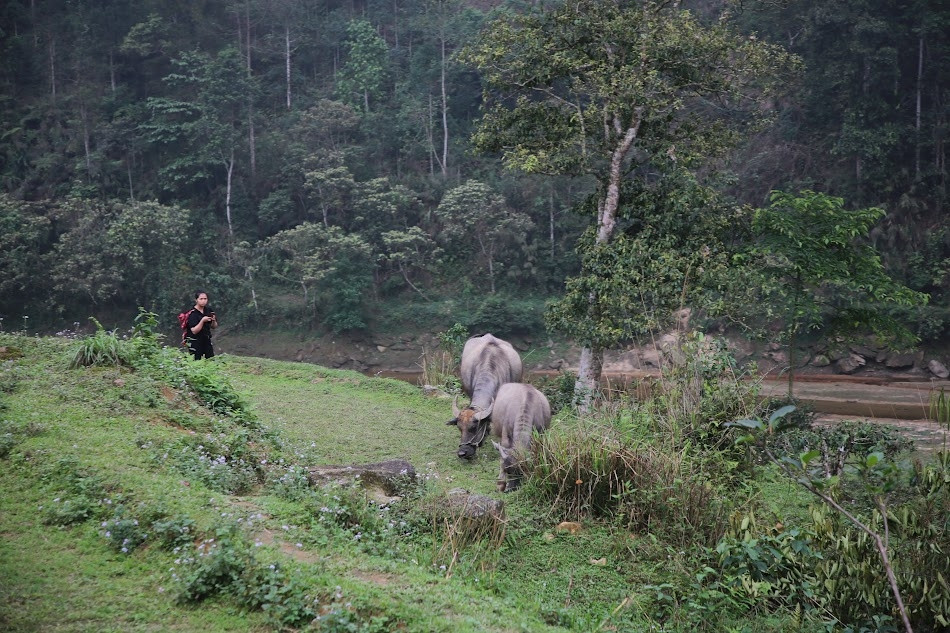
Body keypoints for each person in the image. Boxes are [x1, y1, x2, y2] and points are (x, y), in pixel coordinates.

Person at [185, 291, 217, 360]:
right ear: (196, 300)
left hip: (206, 339)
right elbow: (194, 331)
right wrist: (202, 321)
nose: (203, 301)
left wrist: (213, 320)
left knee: (210, 360)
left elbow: (214, 326)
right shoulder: (192, 313)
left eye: (205, 299)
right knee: (196, 361)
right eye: (201, 299)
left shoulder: (209, 310)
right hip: (195, 341)